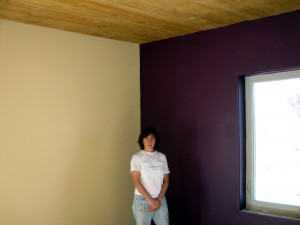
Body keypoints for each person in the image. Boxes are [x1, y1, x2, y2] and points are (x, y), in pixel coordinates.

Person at [130, 126, 170, 225]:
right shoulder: (137, 157)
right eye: (146, 138)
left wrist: (159, 199)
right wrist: (151, 201)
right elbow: (136, 182)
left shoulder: (162, 157)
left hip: (160, 199)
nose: (149, 141)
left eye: (152, 138)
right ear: (142, 141)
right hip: (142, 201)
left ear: (155, 140)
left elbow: (166, 181)